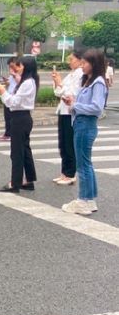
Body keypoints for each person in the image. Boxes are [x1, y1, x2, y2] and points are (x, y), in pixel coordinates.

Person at [61, 49, 107, 215]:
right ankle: (89, 199)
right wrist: (73, 101)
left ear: (94, 64)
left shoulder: (98, 83)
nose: (82, 65)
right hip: (81, 123)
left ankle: (83, 200)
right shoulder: (89, 81)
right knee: (86, 163)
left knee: (83, 164)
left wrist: (75, 106)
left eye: (85, 62)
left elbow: (96, 108)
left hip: (86, 124)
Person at [0, 56, 39, 193]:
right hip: (22, 117)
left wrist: (2, 91)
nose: (17, 68)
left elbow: (13, 102)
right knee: (24, 150)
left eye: (20, 66)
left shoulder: (27, 83)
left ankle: (15, 183)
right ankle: (28, 180)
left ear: (26, 67)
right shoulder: (27, 81)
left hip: (20, 118)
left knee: (17, 152)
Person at [51, 50, 83, 186]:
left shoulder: (80, 75)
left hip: (71, 112)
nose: (70, 62)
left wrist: (61, 85)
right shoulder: (71, 75)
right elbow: (58, 92)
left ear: (80, 61)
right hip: (63, 111)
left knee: (69, 144)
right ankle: (64, 172)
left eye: (72, 59)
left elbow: (72, 94)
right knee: (62, 143)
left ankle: (70, 174)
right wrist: (56, 81)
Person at [0, 57, 19, 141]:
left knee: (12, 117)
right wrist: (6, 82)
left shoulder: (21, 74)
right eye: (9, 66)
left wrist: (14, 75)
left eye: (12, 66)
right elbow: (10, 85)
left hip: (15, 98)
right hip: (8, 97)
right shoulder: (12, 74)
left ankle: (10, 134)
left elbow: (21, 83)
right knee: (7, 117)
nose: (11, 68)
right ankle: (8, 133)